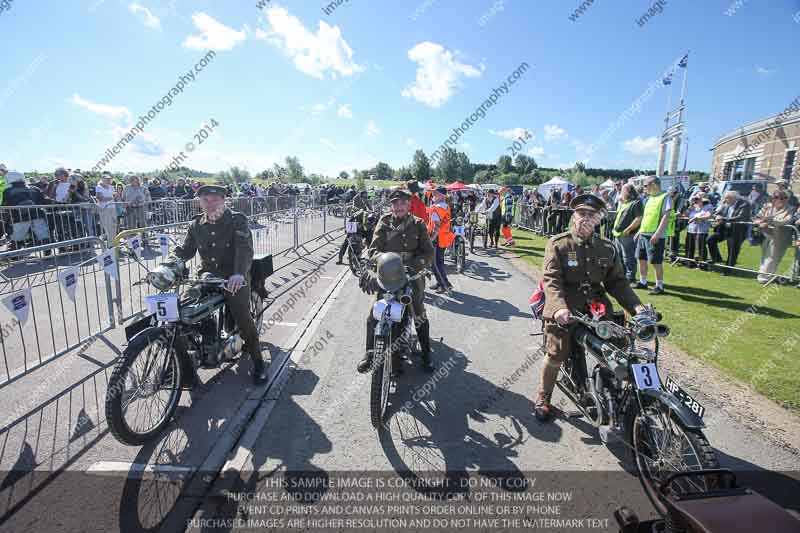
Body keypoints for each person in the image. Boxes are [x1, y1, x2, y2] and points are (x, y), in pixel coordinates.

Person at [535, 194, 647, 421]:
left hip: (597, 308)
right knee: (556, 353)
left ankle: (612, 393)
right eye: (582, 213)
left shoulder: (607, 247)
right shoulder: (558, 244)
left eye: (592, 215)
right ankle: (543, 397)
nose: (586, 219)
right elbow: (551, 279)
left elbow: (617, 282)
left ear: (598, 220)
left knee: (618, 348)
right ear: (573, 216)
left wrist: (638, 307)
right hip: (565, 307)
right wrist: (558, 308)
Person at [173, 185, 267, 384]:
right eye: (205, 199)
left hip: (233, 276)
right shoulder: (196, 225)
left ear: (224, 200)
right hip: (207, 276)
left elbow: (244, 250)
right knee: (185, 310)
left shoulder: (236, 220)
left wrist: (239, 274)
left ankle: (258, 362)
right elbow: (185, 251)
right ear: (199, 202)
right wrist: (168, 265)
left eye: (215, 199)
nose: (210, 203)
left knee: (243, 317)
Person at [357, 188, 435, 374]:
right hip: (387, 274)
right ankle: (369, 353)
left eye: (402, 203)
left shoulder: (418, 224)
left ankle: (426, 354)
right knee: (374, 313)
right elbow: (374, 250)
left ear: (408, 204)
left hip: (411, 274)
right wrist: (382, 263)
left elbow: (428, 252)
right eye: (395, 203)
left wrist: (416, 265)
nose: (398, 206)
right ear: (391, 206)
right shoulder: (384, 223)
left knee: (418, 312)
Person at [634, 177, 674, 295]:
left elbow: (665, 217)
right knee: (641, 258)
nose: (644, 188)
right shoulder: (649, 199)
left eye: (646, 185)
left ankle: (659, 286)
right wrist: (639, 231)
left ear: (654, 184)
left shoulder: (666, 197)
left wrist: (658, 233)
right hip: (643, 233)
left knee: (656, 262)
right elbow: (646, 217)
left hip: (655, 235)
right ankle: (643, 281)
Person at [2, 171, 53, 251]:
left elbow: (5, 206)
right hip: (38, 215)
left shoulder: (8, 191)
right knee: (42, 234)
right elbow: (44, 200)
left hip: (20, 217)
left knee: (17, 236)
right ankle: (47, 251)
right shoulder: (34, 188)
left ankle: (15, 255)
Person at [754, 190, 794, 284]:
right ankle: (764, 274)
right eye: (776, 197)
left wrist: (767, 221)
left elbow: (785, 221)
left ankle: (764, 277)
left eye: (782, 198)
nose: (779, 199)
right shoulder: (767, 206)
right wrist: (759, 222)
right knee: (764, 256)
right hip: (765, 234)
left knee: (772, 257)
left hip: (780, 237)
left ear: (786, 199)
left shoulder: (790, 209)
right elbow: (757, 217)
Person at [706, 191, 751, 270]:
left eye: (727, 198)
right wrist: (717, 216)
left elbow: (740, 217)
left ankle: (728, 268)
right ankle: (716, 258)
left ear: (734, 198)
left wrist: (723, 219)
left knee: (732, 249)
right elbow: (718, 213)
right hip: (724, 229)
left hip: (737, 231)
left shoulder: (744, 204)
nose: (725, 200)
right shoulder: (726, 204)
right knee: (710, 240)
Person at [611, 184, 643, 281]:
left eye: (622, 191)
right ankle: (622, 274)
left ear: (628, 192)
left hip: (627, 235)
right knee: (619, 257)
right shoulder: (625, 202)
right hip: (619, 235)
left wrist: (628, 230)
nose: (621, 192)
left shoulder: (636, 203)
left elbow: (639, 218)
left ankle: (630, 277)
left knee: (628, 257)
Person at [428, 186, 455, 294]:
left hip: (436, 238)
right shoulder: (445, 206)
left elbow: (436, 227)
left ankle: (445, 285)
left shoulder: (436, 208)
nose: (433, 195)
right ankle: (441, 283)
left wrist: (431, 239)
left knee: (434, 264)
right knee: (439, 262)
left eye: (435, 194)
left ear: (442, 195)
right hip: (443, 238)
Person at [684, 193, 713, 267]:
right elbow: (685, 214)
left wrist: (698, 218)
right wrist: (690, 206)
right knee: (689, 246)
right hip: (691, 229)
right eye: (696, 198)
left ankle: (703, 264)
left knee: (701, 247)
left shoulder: (708, 206)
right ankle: (689, 262)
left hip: (702, 230)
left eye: (698, 198)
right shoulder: (693, 206)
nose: (696, 199)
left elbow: (708, 215)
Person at [123, 175, 151, 245]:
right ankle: (134, 242)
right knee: (131, 226)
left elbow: (148, 199)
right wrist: (126, 203)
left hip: (141, 208)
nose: (134, 181)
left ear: (138, 180)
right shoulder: (126, 188)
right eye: (132, 180)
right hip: (130, 208)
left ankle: (145, 241)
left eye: (136, 180)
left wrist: (142, 203)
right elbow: (123, 198)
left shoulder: (143, 188)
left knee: (143, 224)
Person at [95, 172, 119, 245]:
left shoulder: (111, 187)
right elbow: (99, 198)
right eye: (107, 179)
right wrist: (111, 197)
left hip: (112, 207)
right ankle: (110, 244)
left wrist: (114, 196)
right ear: (103, 179)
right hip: (105, 208)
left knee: (114, 225)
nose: (109, 180)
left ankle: (113, 242)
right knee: (108, 226)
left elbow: (115, 196)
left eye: (110, 179)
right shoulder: (99, 187)